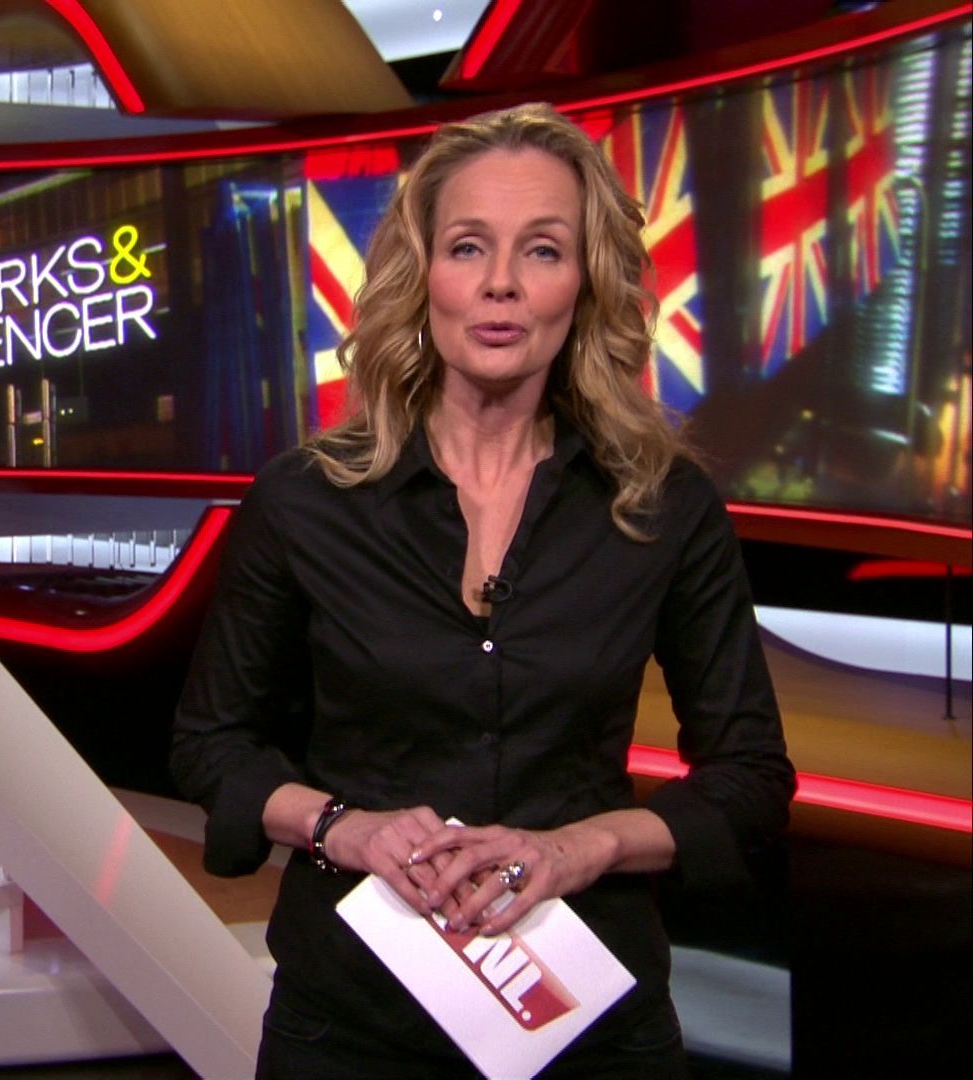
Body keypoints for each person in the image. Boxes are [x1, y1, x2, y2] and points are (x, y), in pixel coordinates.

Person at [169, 103, 795, 1078]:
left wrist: (576, 851)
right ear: (424, 275)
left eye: (542, 250)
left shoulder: (662, 504)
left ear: (585, 282)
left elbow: (750, 778)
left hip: (590, 1024)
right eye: (468, 246)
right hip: (352, 1028)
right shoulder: (306, 500)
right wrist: (347, 829)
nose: (502, 282)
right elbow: (211, 746)